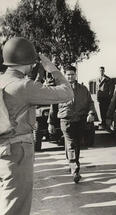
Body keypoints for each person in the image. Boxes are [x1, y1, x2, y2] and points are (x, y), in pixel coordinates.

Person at [0, 37, 73, 215]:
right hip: (17, 150)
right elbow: (67, 92)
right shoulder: (24, 86)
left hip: (3, 149)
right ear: (28, 61)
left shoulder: (3, 81)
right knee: (16, 207)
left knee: (6, 200)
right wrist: (52, 69)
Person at [48, 65, 96, 183]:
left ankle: (71, 164)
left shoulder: (83, 89)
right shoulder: (60, 89)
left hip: (79, 120)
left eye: (72, 74)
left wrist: (91, 113)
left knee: (76, 145)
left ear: (76, 75)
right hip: (66, 120)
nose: (70, 76)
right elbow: (53, 107)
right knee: (71, 144)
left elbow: (90, 102)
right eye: (68, 74)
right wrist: (51, 123)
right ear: (65, 75)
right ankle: (75, 170)